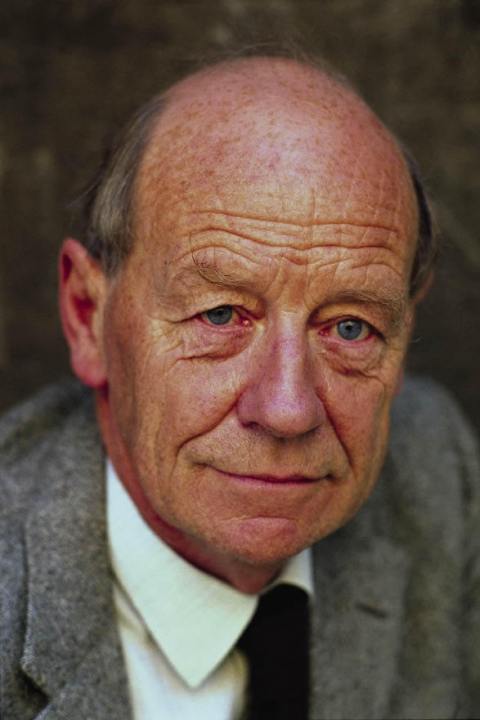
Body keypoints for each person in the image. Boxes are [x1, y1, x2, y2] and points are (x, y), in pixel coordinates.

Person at [1, 54, 479, 720]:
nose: (287, 409)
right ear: (89, 317)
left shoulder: (439, 471)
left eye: (349, 327)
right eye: (221, 315)